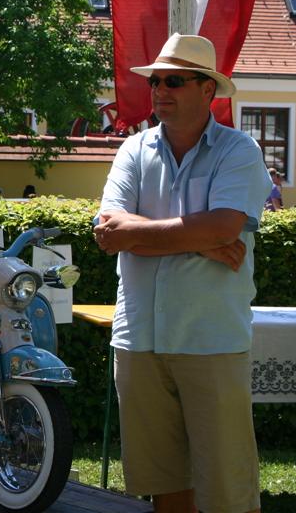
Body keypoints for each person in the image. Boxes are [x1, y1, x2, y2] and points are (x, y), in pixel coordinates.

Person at [93, 34, 270, 513]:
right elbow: (107, 231)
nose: (159, 91)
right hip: (140, 341)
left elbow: (224, 225)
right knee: (165, 484)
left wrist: (144, 233)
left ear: (207, 89)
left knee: (227, 491)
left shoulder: (239, 151)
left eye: (173, 81)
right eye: (155, 82)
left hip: (210, 340)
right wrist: (202, 241)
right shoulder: (133, 149)